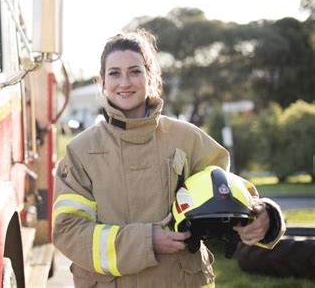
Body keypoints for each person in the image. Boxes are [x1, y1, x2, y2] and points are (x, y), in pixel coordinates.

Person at [52, 29, 285, 288]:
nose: (125, 82)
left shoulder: (187, 139)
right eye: (114, 73)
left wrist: (265, 217)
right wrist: (145, 241)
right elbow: (69, 231)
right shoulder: (80, 152)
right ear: (102, 82)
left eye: (135, 71)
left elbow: (232, 197)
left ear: (150, 77)